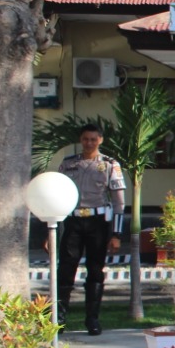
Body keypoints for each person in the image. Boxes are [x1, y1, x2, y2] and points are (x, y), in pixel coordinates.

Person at [57, 123, 127, 335]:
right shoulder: (68, 164)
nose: (89, 143)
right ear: (81, 139)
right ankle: (59, 319)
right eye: (85, 139)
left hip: (98, 223)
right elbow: (55, 195)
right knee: (66, 270)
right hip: (73, 222)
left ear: (100, 140)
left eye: (93, 139)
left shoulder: (109, 164)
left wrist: (116, 234)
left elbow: (119, 203)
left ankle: (92, 320)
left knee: (96, 271)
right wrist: (49, 230)